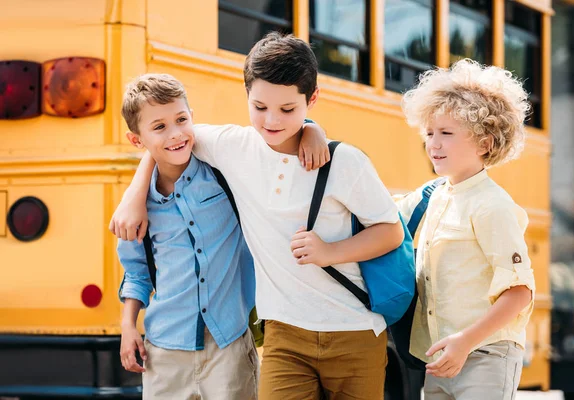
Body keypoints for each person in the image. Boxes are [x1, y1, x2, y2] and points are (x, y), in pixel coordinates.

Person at [111, 32, 404, 400]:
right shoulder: (232, 148)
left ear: (311, 101)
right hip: (281, 334)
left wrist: (330, 251)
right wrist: (134, 195)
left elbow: (390, 232)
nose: (272, 120)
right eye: (260, 107)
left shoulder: (342, 162)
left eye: (288, 110)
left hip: (353, 329)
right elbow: (165, 139)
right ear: (246, 97)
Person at [116, 73, 328, 399]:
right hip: (164, 348)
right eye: (159, 127)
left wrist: (312, 128)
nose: (175, 134)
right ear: (136, 140)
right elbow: (137, 272)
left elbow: (270, 139)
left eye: (181, 120)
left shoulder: (223, 173)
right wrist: (128, 326)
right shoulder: (136, 208)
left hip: (228, 341)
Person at [397, 59, 536, 400]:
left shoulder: (492, 205)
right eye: (429, 133)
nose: (434, 144)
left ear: (485, 143)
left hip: (485, 354)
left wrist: (465, 343)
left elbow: (520, 292)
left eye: (446, 133)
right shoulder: (434, 196)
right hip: (441, 355)